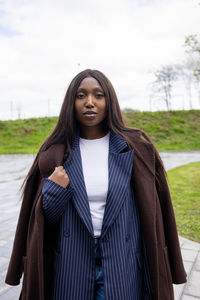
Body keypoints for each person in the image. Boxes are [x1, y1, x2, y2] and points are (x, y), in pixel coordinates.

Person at [6, 69, 187, 300]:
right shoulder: (54, 154)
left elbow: (158, 214)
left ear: (108, 100)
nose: (89, 102)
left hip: (124, 263)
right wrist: (53, 191)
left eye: (98, 95)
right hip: (70, 265)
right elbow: (42, 224)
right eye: (81, 95)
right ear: (70, 102)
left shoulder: (137, 150)